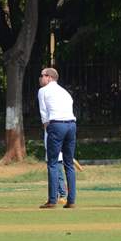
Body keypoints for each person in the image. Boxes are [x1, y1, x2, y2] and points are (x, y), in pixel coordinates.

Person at [38, 67, 77, 209]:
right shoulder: (64, 92)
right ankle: (71, 200)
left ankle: (52, 200)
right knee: (69, 164)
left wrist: (48, 131)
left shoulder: (43, 91)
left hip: (56, 125)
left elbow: (44, 115)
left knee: (53, 163)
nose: (40, 78)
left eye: (42, 75)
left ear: (49, 77)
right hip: (71, 125)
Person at [44, 130, 67, 204]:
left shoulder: (55, 127)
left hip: (57, 155)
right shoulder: (47, 129)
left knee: (59, 176)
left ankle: (62, 196)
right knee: (53, 177)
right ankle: (54, 197)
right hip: (50, 154)